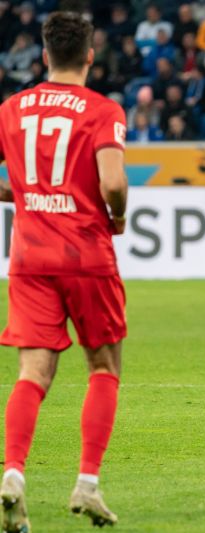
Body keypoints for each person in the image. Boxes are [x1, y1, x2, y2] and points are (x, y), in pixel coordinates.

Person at [0, 11, 129, 529]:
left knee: (32, 373)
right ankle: (87, 485)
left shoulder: (11, 108)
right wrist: (116, 215)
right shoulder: (102, 110)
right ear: (90, 56)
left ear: (45, 56)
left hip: (29, 256)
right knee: (103, 367)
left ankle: (12, 474)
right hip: (85, 254)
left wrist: (26, 196)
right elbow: (114, 183)